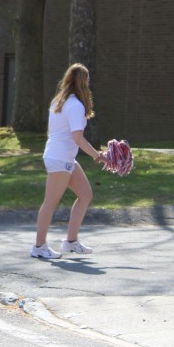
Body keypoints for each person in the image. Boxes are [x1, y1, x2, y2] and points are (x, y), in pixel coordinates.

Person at [31, 63, 104, 260]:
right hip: (60, 157)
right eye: (87, 81)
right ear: (84, 82)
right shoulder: (75, 105)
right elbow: (78, 138)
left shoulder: (59, 101)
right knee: (50, 202)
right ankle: (39, 247)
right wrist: (97, 155)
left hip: (62, 156)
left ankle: (71, 242)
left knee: (85, 194)